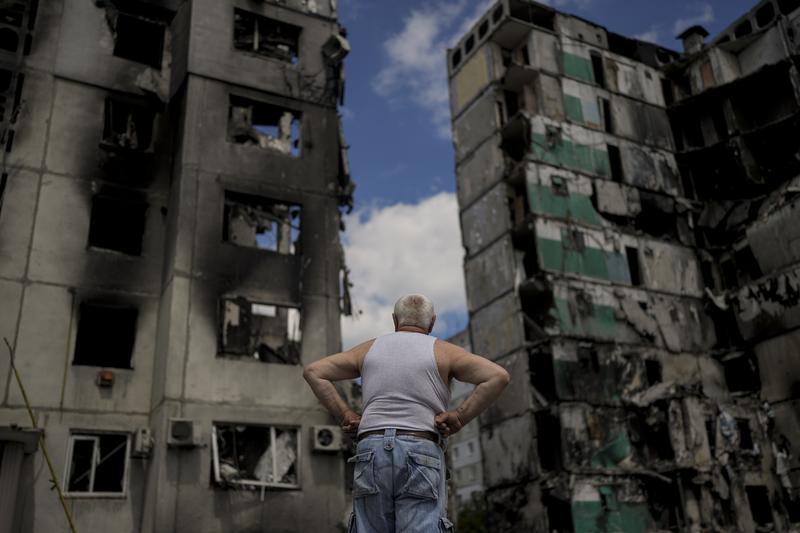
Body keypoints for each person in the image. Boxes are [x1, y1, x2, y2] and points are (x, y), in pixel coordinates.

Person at [303, 294, 511, 533]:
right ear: (432, 322)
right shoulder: (444, 351)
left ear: (395, 320)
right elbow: (498, 376)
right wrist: (459, 417)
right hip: (420, 448)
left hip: (371, 449)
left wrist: (346, 414)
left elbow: (314, 371)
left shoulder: (368, 349)